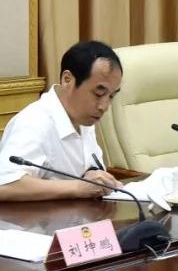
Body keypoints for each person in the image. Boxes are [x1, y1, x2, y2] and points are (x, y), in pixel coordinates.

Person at [0, 41, 126, 201]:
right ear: (67, 80)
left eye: (111, 96)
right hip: (39, 217)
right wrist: (78, 187)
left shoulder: (83, 117)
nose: (104, 106)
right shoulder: (34, 122)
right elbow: (4, 184)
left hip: (81, 215)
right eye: (99, 94)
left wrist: (92, 174)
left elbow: (84, 169)